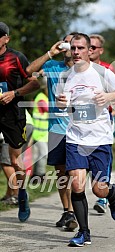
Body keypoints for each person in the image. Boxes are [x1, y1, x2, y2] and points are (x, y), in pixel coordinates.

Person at [56, 33, 115, 247]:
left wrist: (108, 97)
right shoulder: (68, 76)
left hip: (99, 139)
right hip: (76, 138)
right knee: (77, 184)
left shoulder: (102, 72)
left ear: (89, 50)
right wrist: (61, 104)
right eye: (73, 48)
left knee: (99, 190)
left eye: (80, 48)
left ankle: (112, 193)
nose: (76, 52)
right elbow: (66, 106)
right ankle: (84, 233)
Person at [26, 32, 78, 230]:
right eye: (65, 42)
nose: (68, 46)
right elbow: (29, 70)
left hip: (77, 129)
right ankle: (68, 212)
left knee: (75, 172)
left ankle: (74, 211)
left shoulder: (86, 71)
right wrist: (50, 52)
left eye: (72, 43)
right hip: (56, 128)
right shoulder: (52, 66)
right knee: (61, 173)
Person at [0, 22, 39, 221]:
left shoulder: (16, 58)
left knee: (15, 160)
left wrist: (14, 93)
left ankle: (21, 194)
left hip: (12, 115)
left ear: (7, 38)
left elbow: (35, 82)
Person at [89, 34, 115, 214]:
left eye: (93, 47)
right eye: (87, 46)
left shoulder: (107, 68)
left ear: (101, 50)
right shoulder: (77, 68)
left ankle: (102, 194)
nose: (89, 50)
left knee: (102, 155)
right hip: (81, 121)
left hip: (103, 119)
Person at [0, 110, 34, 205]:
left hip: (14, 123)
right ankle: (10, 194)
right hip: (26, 123)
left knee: (7, 162)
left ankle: (16, 195)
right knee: (14, 161)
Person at [31, 83, 48, 181]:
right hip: (38, 133)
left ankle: (37, 175)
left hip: (44, 134)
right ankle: (40, 176)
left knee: (41, 155)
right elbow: (50, 110)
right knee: (43, 154)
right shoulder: (41, 99)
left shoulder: (45, 98)